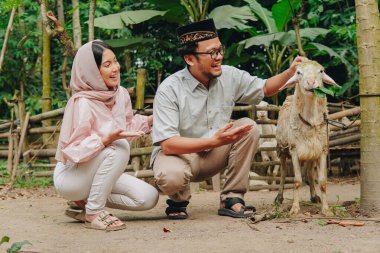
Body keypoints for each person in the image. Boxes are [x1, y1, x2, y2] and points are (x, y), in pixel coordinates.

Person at [151, 19, 305, 219]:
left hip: (215, 152)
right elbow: (169, 144)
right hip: (179, 156)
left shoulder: (230, 76)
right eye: (212, 53)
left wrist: (290, 72)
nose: (219, 57)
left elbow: (265, 88)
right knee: (171, 177)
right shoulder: (169, 88)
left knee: (249, 127)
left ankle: (232, 197)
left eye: (220, 50)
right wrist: (213, 141)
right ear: (190, 59)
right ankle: (178, 200)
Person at [54, 40, 159, 231]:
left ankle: (85, 205)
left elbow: (127, 127)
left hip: (99, 170)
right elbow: (72, 152)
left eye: (115, 61)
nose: (116, 68)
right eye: (107, 64)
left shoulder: (120, 95)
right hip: (72, 177)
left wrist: (152, 119)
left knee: (148, 198)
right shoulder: (82, 102)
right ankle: (94, 212)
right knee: (119, 147)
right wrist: (105, 140)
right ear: (93, 71)